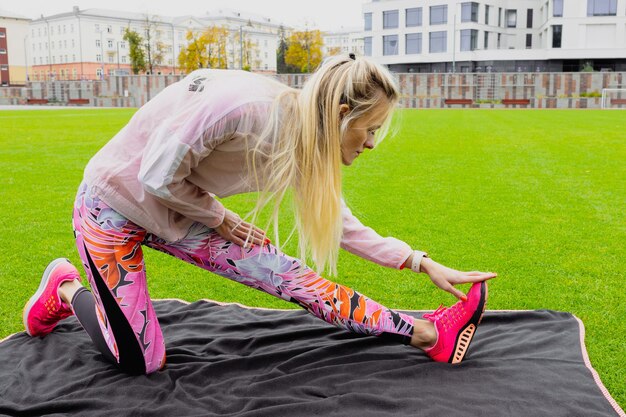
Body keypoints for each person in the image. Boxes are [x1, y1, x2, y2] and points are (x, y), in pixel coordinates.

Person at [23, 54, 496, 375]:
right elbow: (154, 176)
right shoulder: (244, 109)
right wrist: (219, 218)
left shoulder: (306, 143)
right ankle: (64, 288)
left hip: (183, 212)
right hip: (113, 206)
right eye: (369, 129)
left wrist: (420, 261)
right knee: (139, 360)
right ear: (341, 112)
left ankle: (428, 333)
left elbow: (342, 225)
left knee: (294, 279)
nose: (371, 143)